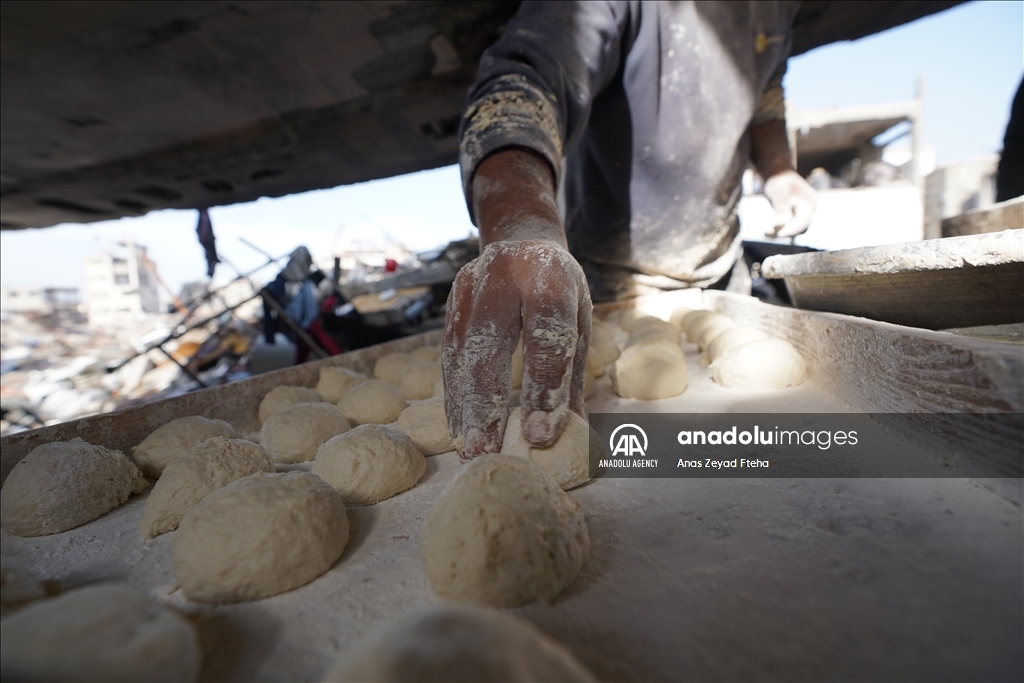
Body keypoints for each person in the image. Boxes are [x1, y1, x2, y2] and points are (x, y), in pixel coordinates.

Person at [443, 1, 817, 459]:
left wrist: (780, 170)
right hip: (604, 279)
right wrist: (522, 224)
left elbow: (764, 98)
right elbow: (522, 85)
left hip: (718, 266)